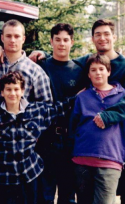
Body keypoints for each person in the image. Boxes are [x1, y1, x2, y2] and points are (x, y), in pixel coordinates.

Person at [29, 19, 125, 204]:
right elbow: (63, 58)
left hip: (116, 144)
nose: (102, 38)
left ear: (114, 37)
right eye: (98, 34)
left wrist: (110, 118)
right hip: (85, 149)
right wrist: (42, 54)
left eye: (106, 34)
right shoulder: (87, 61)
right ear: (92, 39)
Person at [0, 71, 75, 204]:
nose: (13, 93)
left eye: (16, 89)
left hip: (29, 174)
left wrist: (82, 95)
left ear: (22, 91)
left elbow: (61, 108)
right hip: (2, 176)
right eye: (8, 89)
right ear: (2, 92)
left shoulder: (37, 111)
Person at [70, 53, 125, 204]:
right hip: (82, 160)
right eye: (93, 70)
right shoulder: (82, 97)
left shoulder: (123, 98)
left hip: (110, 161)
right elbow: (73, 126)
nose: (98, 73)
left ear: (109, 71)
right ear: (88, 75)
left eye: (101, 69)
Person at [35, 23, 84, 204]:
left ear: (72, 42)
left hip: (71, 140)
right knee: (44, 195)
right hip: (45, 139)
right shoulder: (40, 66)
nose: (62, 44)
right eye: (58, 40)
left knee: (68, 195)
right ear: (51, 41)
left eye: (65, 40)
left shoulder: (79, 71)